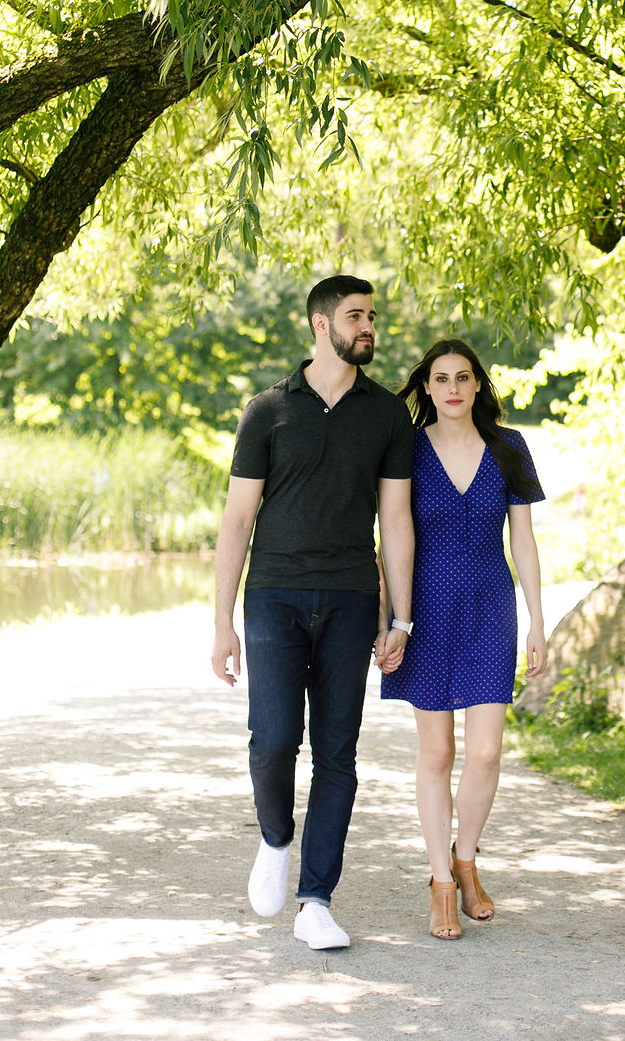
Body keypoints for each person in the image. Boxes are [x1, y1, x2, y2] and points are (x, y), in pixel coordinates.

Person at [211, 274, 415, 951]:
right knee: (272, 741)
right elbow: (239, 519)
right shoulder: (267, 410)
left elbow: (395, 520)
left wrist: (400, 618)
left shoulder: (387, 416)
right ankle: (275, 840)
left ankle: (316, 901)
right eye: (357, 316)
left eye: (373, 317)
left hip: (353, 599)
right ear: (320, 325)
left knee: (337, 753)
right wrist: (221, 623)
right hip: (273, 595)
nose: (370, 328)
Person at [378, 338, 547, 940]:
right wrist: (387, 622)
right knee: (437, 755)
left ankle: (466, 859)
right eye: (441, 378)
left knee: (484, 754)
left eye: (463, 377)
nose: (452, 387)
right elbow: (390, 539)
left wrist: (538, 621)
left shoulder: (509, 447)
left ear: (478, 386)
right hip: (423, 613)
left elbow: (523, 541)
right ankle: (441, 885)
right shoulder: (405, 449)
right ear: (426, 387)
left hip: (489, 611)